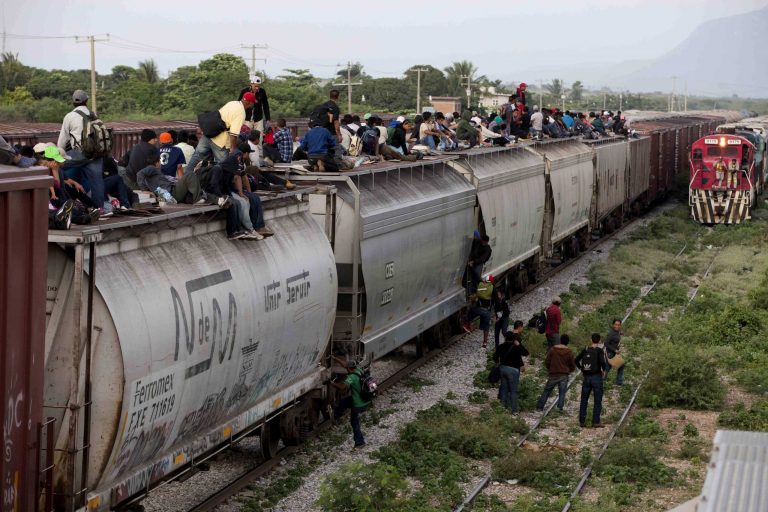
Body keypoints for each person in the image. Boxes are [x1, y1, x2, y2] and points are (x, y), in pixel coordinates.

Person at [57, 89, 106, 210]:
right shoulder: (93, 115)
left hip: (79, 153)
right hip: (95, 154)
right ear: (86, 101)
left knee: (56, 166)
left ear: (73, 102)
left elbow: (62, 140)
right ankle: (99, 209)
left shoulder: (69, 116)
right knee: (97, 182)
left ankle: (61, 201)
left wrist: (58, 156)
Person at [185, 93, 255, 174]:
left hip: (208, 134)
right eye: (253, 103)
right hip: (220, 142)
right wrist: (233, 150)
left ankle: (185, 180)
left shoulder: (232, 103)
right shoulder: (241, 113)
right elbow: (233, 135)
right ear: (250, 103)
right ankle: (215, 185)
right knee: (222, 168)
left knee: (197, 159)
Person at [331, 358, 370, 448]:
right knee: (344, 402)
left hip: (358, 404)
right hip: (364, 400)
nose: (346, 369)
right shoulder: (359, 370)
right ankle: (336, 415)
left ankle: (360, 442)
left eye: (346, 368)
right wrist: (334, 357)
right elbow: (345, 364)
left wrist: (332, 384)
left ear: (349, 369)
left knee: (354, 422)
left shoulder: (351, 377)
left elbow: (342, 387)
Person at [536, 334, 576, 412]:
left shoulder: (553, 349)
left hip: (553, 374)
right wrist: (570, 370)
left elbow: (547, 361)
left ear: (560, 340)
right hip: (564, 375)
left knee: (547, 390)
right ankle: (559, 408)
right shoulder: (568, 352)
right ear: (567, 342)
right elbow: (572, 364)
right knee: (562, 392)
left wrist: (550, 368)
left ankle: (540, 407)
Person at [575, 333, 608, 428]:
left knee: (584, 399)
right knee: (597, 400)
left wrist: (582, 369)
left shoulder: (585, 349)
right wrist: (604, 371)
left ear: (591, 339)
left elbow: (576, 360)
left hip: (586, 378)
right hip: (596, 377)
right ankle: (595, 421)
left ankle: (582, 421)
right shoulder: (599, 350)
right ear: (599, 341)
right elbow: (602, 362)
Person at [494, 332, 529, 415]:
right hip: (513, 371)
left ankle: (502, 409)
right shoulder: (516, 347)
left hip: (503, 369)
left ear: (505, 338)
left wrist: (498, 362)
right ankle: (514, 410)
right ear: (514, 339)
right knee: (513, 391)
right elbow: (526, 353)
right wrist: (519, 344)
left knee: (504, 389)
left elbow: (495, 357)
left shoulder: (501, 346)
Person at [604, 318, 625, 385]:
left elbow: (616, 336)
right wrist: (615, 350)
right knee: (620, 366)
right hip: (610, 353)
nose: (617, 326)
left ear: (620, 325)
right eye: (616, 324)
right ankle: (618, 382)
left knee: (608, 368)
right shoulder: (611, 333)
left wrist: (620, 333)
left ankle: (601, 381)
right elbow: (606, 343)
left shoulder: (616, 332)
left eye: (619, 325)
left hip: (613, 353)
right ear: (613, 325)